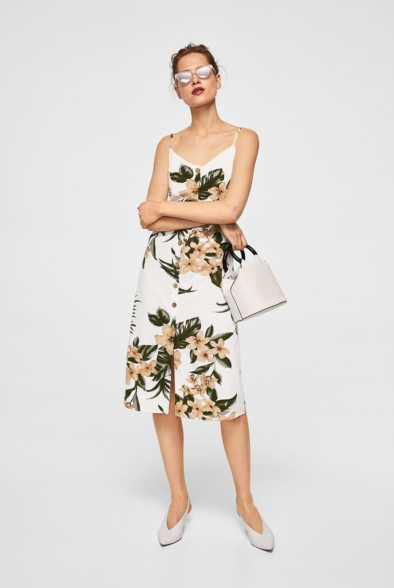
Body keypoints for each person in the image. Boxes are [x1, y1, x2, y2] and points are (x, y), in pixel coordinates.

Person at [126, 42, 274, 551]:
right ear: (176, 88)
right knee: (162, 389)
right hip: (160, 276)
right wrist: (215, 214)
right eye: (184, 76)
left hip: (208, 278)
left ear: (217, 78)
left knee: (226, 390)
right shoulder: (166, 144)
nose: (194, 80)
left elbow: (230, 206)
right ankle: (178, 498)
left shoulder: (244, 138)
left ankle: (245, 501)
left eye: (203, 71)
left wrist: (197, 210)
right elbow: (148, 219)